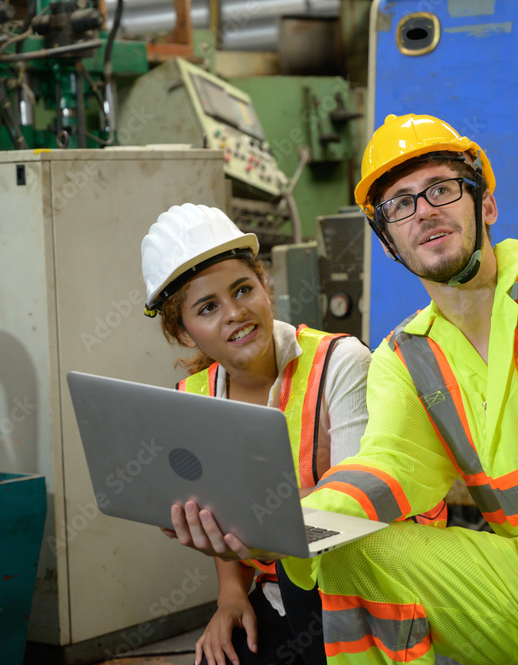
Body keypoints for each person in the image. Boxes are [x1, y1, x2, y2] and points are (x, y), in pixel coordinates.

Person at [168, 45, 518, 664]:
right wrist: (273, 531)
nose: (425, 211)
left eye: (442, 188)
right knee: (348, 549)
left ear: (486, 206)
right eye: (400, 205)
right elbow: (386, 470)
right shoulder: (407, 356)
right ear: (390, 244)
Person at [140, 202, 373, 665]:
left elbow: (354, 518)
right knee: (219, 657)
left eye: (243, 289)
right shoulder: (194, 398)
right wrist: (230, 596)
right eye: (208, 307)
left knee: (298, 577)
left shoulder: (341, 364)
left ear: (265, 288)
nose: (234, 313)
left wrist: (255, 524)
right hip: (279, 593)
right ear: (184, 333)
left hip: (361, 590)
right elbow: (215, 508)